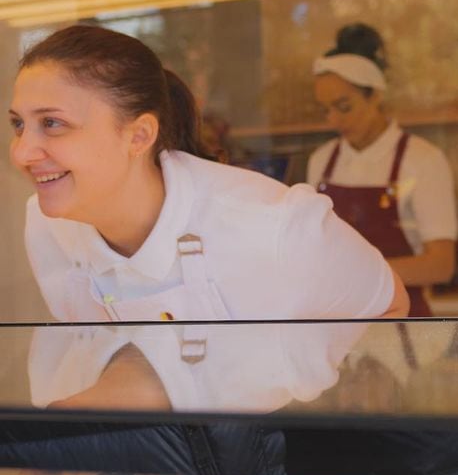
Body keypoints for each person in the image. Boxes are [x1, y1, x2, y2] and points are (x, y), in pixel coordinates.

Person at [10, 24, 408, 322]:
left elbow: (389, 306)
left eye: (53, 123)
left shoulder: (274, 225)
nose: (22, 152)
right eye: (18, 125)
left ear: (139, 135)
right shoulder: (47, 226)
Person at [308, 24, 458, 318]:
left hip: (406, 329)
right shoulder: (321, 162)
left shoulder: (423, 160)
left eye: (343, 106)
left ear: (374, 95)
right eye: (325, 109)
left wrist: (359, 275)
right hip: (342, 324)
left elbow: (441, 264)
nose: (333, 120)